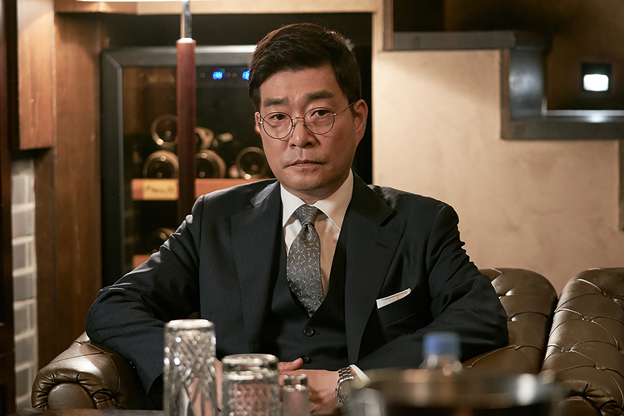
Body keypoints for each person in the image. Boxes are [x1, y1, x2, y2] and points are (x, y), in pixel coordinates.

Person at [86, 22, 508, 414]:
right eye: (278, 118)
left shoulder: (421, 222)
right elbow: (114, 306)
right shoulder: (214, 218)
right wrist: (205, 373)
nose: (299, 137)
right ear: (260, 125)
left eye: (320, 113)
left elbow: (480, 315)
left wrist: (353, 382)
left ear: (358, 119)